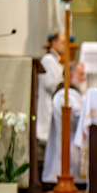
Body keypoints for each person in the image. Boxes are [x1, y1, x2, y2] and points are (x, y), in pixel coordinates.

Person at [42, 61, 86, 185]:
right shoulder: (64, 95)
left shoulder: (74, 93)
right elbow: (76, 117)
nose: (84, 78)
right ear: (71, 75)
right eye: (81, 74)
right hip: (68, 144)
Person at [37, 32, 65, 173]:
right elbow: (50, 84)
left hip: (54, 102)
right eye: (62, 42)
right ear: (53, 42)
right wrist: (64, 83)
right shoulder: (48, 59)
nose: (65, 46)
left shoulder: (56, 60)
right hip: (47, 103)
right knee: (45, 140)